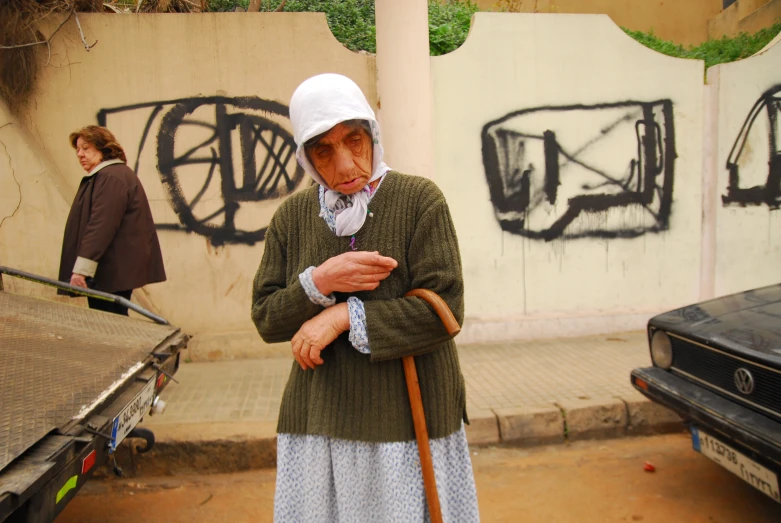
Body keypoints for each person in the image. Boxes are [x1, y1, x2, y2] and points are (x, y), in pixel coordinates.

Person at [251, 73, 480, 522]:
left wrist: (340, 316)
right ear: (306, 157)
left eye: (354, 141)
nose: (345, 164)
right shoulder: (292, 217)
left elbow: (445, 310)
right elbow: (266, 318)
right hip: (320, 422)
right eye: (324, 150)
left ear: (372, 134)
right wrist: (318, 280)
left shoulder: (419, 201)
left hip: (406, 423)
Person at [58, 125, 166, 315]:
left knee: (110, 325)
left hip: (110, 272)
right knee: (114, 323)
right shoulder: (110, 176)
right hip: (112, 269)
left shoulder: (111, 177)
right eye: (77, 149)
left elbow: (101, 226)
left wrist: (82, 269)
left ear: (103, 148)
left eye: (86, 148)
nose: (79, 154)